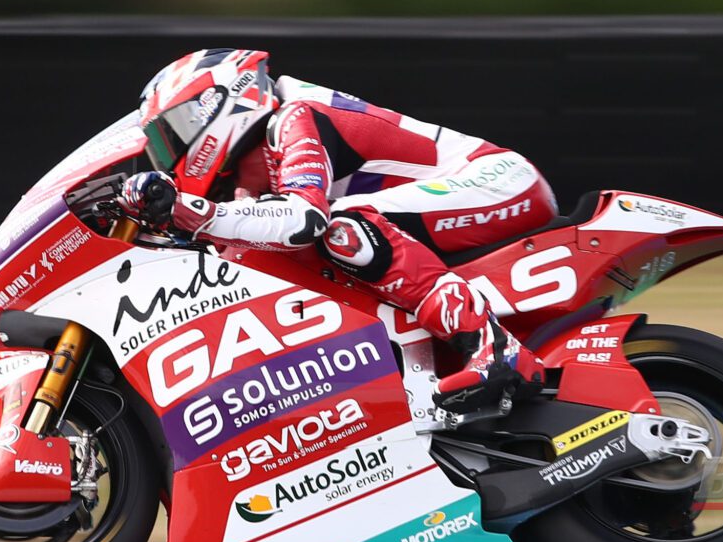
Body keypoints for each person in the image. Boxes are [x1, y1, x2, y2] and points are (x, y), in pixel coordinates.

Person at [119, 48, 556, 414]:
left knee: (341, 227)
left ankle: (494, 346)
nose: (169, 156)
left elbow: (304, 220)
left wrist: (197, 212)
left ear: (217, 104)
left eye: (173, 134)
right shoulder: (257, 159)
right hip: (449, 202)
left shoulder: (293, 115)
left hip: (501, 181)